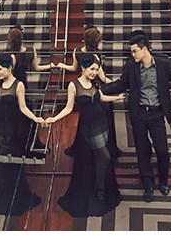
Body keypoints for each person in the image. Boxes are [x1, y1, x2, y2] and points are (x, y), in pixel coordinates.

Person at [101, 30, 171, 203]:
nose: (132, 54)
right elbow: (122, 83)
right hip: (139, 114)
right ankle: (148, 185)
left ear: (144, 49)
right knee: (142, 151)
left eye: (134, 51)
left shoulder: (163, 64)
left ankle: (164, 181)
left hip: (157, 114)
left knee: (162, 151)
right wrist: (99, 91)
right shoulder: (131, 65)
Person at [46, 53, 124, 217]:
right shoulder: (73, 85)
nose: (95, 72)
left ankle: (99, 183)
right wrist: (54, 119)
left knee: (99, 155)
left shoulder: (94, 83)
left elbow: (101, 98)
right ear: (83, 67)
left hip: (102, 123)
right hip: (88, 127)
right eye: (92, 69)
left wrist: (117, 97)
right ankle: (100, 186)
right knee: (105, 156)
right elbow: (68, 108)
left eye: (96, 69)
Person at [0, 53, 44, 215]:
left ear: (9, 67)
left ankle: (7, 190)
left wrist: (35, 118)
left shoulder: (19, 85)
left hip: (10, 127)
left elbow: (23, 107)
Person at [53, 25, 122, 160]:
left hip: (84, 90)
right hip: (95, 90)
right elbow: (102, 78)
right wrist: (117, 84)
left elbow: (74, 68)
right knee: (99, 126)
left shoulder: (77, 51)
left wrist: (62, 65)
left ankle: (83, 149)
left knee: (85, 123)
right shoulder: (95, 56)